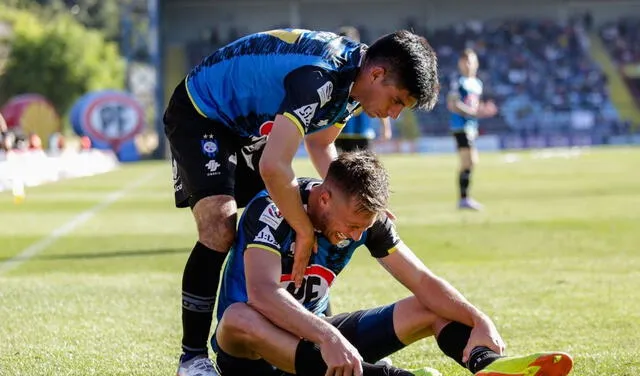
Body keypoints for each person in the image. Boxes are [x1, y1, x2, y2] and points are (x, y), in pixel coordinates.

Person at [164, 28, 440, 375]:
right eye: (397, 100)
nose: (395, 114)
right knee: (220, 227)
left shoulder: (352, 84)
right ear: (377, 74)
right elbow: (273, 166)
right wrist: (303, 230)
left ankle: (311, 336)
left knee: (307, 214)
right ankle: (193, 359)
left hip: (249, 126)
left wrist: (351, 199)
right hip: (204, 112)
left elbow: (320, 145)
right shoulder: (320, 77)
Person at [212, 151, 574, 376]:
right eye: (351, 226)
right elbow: (261, 293)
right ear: (324, 198)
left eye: (363, 229)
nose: (355, 236)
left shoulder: (367, 221)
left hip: (322, 346)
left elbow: (422, 281)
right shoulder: (273, 209)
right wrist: (327, 335)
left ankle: (486, 365)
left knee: (431, 307)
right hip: (253, 357)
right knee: (238, 318)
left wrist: (479, 319)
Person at [446, 49, 498, 211]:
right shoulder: (459, 81)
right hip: (460, 127)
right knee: (468, 161)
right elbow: (453, 104)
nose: (469, 65)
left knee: (470, 162)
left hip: (471, 127)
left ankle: (464, 198)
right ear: (460, 64)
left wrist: (484, 110)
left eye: (471, 61)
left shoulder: (477, 83)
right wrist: (474, 113)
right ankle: (463, 199)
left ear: (476, 64)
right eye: (465, 61)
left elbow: (474, 105)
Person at [334, 26, 393, 153]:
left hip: (362, 133)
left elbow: (379, 97)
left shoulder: (367, 69)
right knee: (336, 170)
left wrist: (385, 128)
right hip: (336, 134)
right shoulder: (332, 69)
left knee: (364, 170)